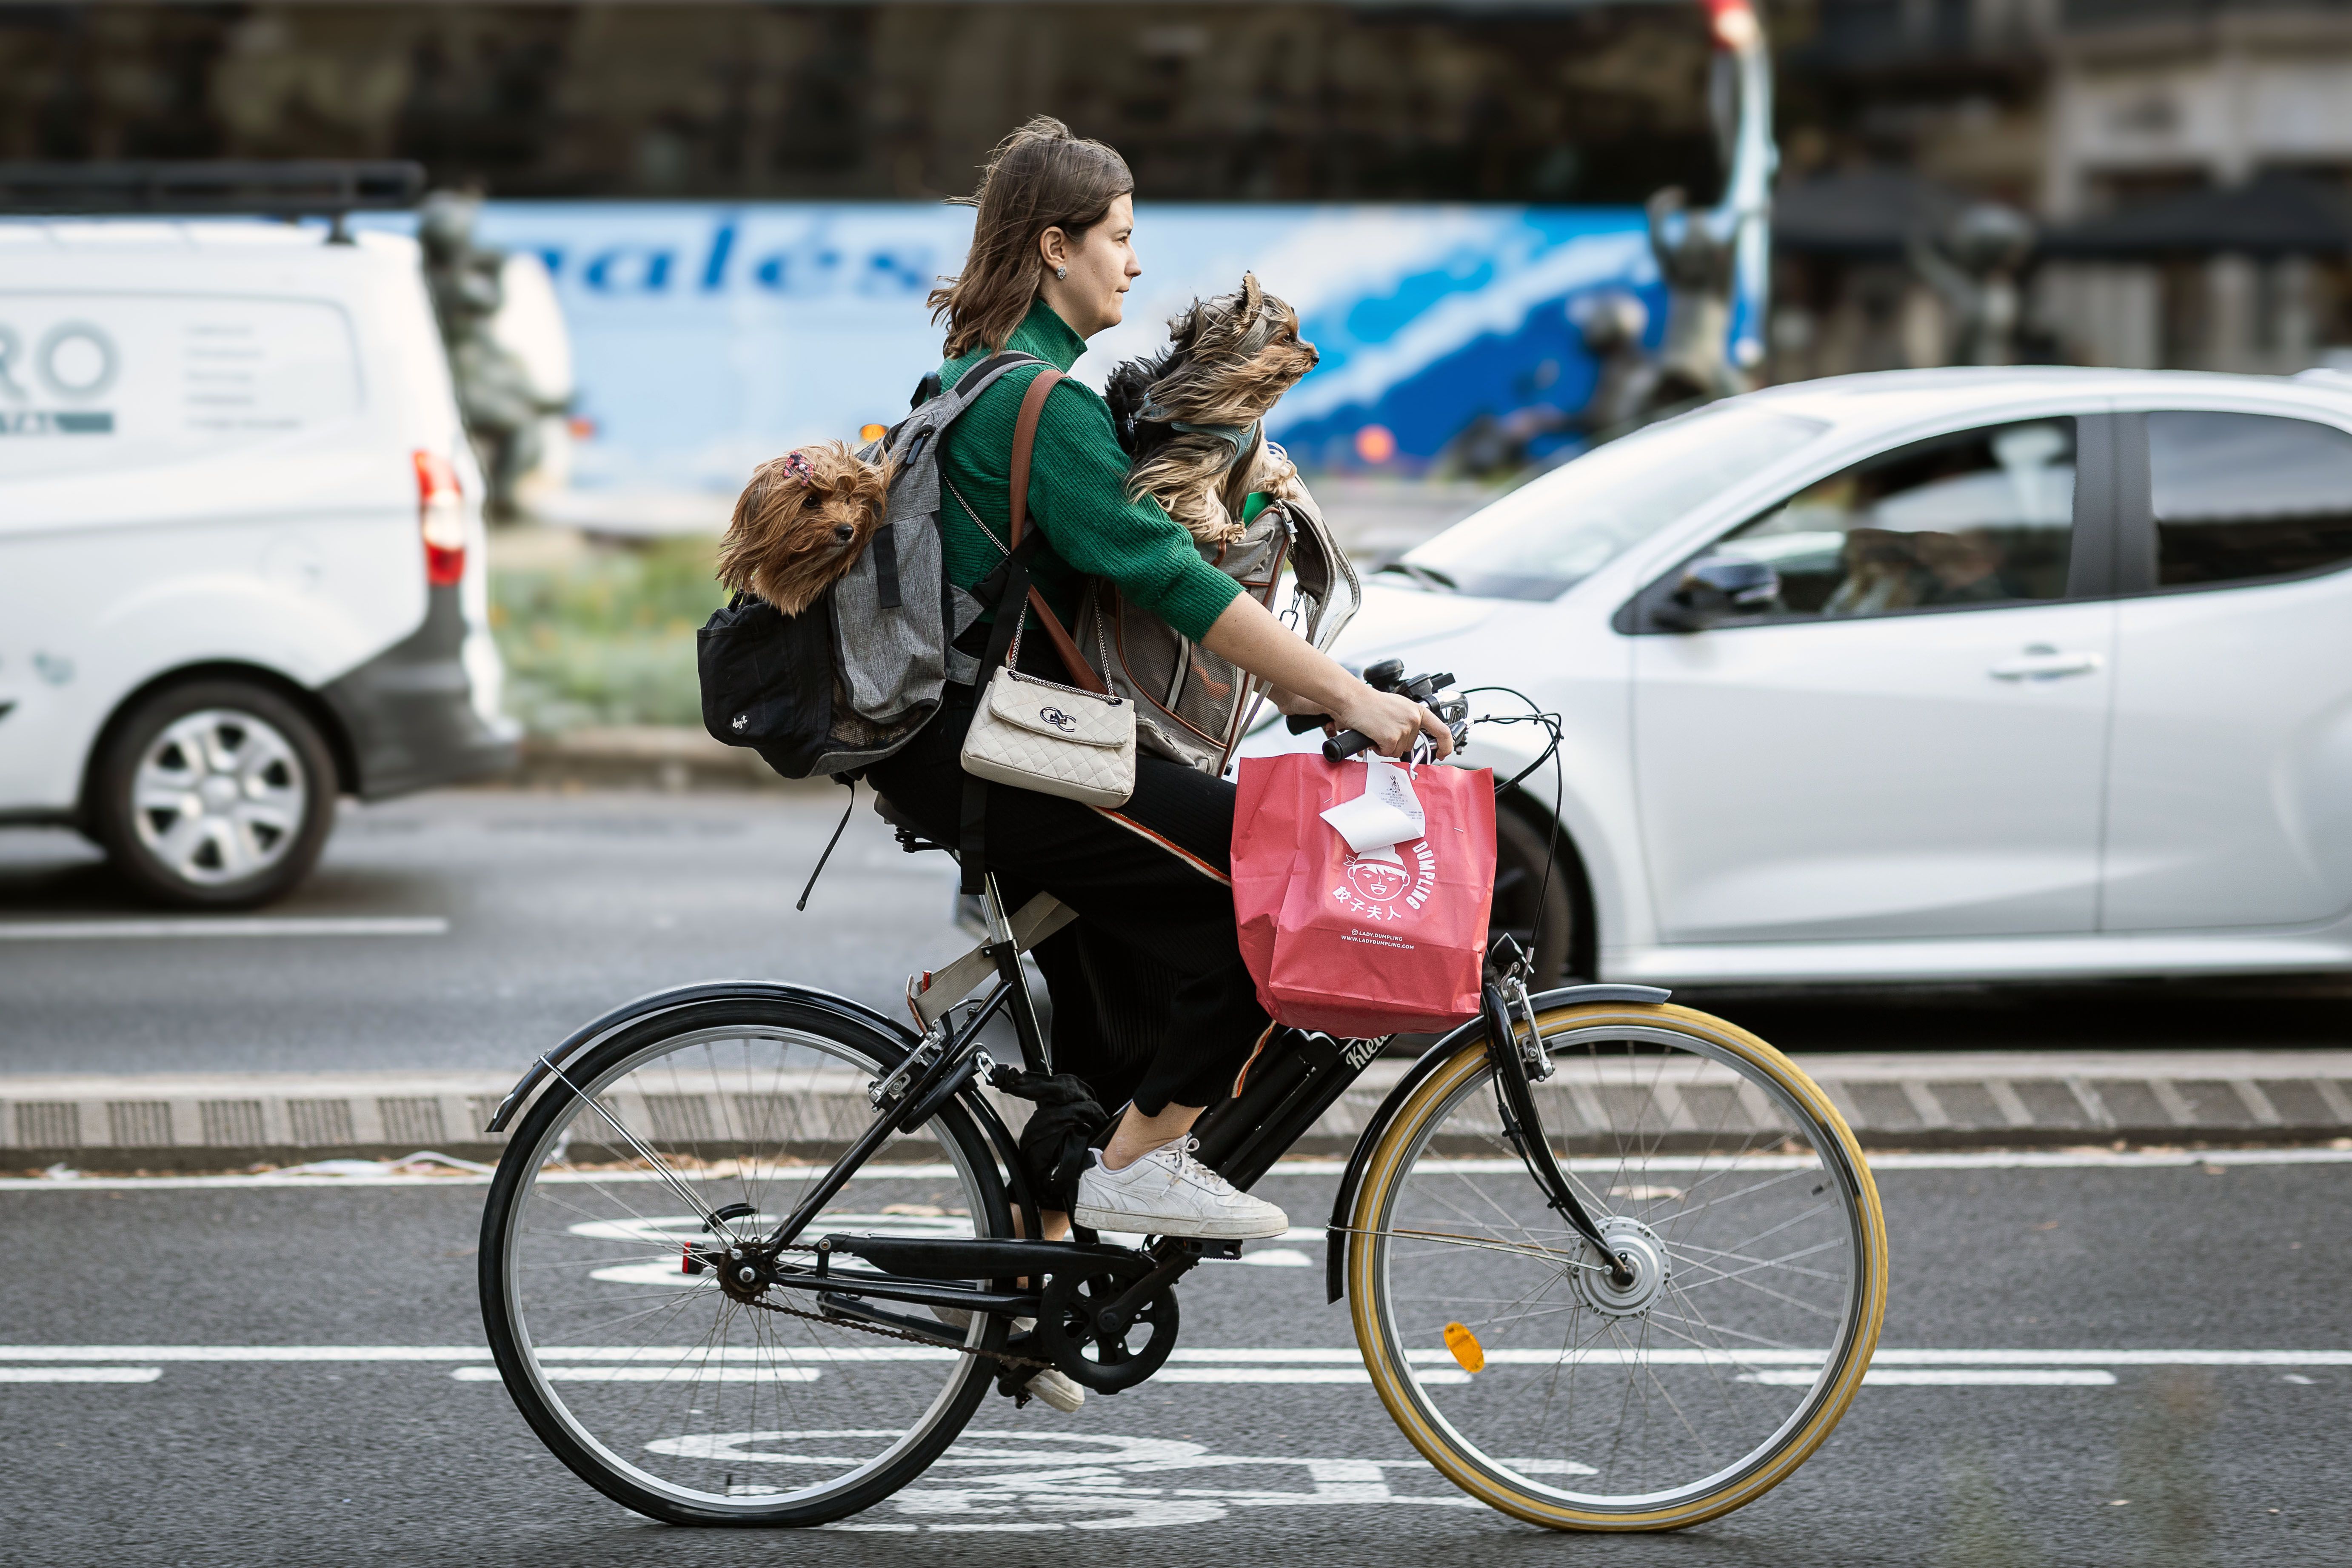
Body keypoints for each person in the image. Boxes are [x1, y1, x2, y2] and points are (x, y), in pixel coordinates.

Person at [865, 118, 1450, 1248]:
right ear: (1053, 248)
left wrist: (1300, 685)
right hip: (1000, 750)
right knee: (1262, 896)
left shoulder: (965, 380)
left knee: (1111, 1023)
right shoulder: (1044, 405)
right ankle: (1141, 1171)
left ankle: (1039, 1295)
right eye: (1119, 238)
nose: (1132, 264)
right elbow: (1174, 582)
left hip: (971, 740)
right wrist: (1350, 698)